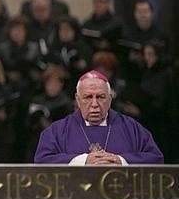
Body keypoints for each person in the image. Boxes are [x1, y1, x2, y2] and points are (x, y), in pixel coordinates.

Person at [34, 70, 164, 164]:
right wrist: (84, 160)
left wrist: (120, 160)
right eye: (88, 97)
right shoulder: (56, 132)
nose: (94, 104)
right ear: (77, 100)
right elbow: (41, 161)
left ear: (109, 99)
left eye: (101, 97)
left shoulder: (131, 128)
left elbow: (156, 158)